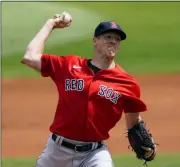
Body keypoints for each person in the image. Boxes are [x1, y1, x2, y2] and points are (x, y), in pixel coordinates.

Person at [21, 12, 157, 167]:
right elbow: (30, 57)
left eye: (117, 39)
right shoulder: (69, 65)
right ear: (95, 41)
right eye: (108, 37)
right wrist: (50, 24)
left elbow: (134, 123)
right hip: (57, 151)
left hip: (94, 154)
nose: (113, 41)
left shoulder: (127, 83)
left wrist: (147, 144)